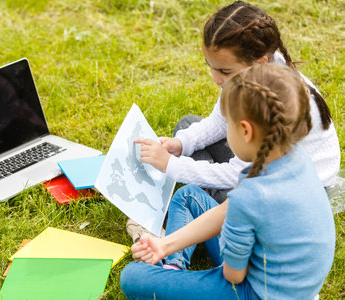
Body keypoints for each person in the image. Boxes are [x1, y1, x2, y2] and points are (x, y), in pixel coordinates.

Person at [127, 0, 340, 242]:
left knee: (207, 196)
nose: (215, 78)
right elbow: (220, 121)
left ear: (259, 62)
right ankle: (203, 196)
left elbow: (237, 173)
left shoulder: (272, 101)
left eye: (225, 72)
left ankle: (199, 207)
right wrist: (181, 144)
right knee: (187, 126)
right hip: (262, 169)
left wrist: (171, 165)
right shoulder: (256, 72)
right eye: (211, 67)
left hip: (287, 198)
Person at [120, 63, 336, 300]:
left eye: (228, 125)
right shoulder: (297, 159)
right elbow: (228, 209)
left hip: (253, 291)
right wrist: (166, 244)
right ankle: (172, 264)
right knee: (188, 195)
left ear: (244, 130)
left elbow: (234, 276)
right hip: (291, 284)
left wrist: (234, 241)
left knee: (131, 276)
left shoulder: (250, 197)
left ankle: (170, 276)